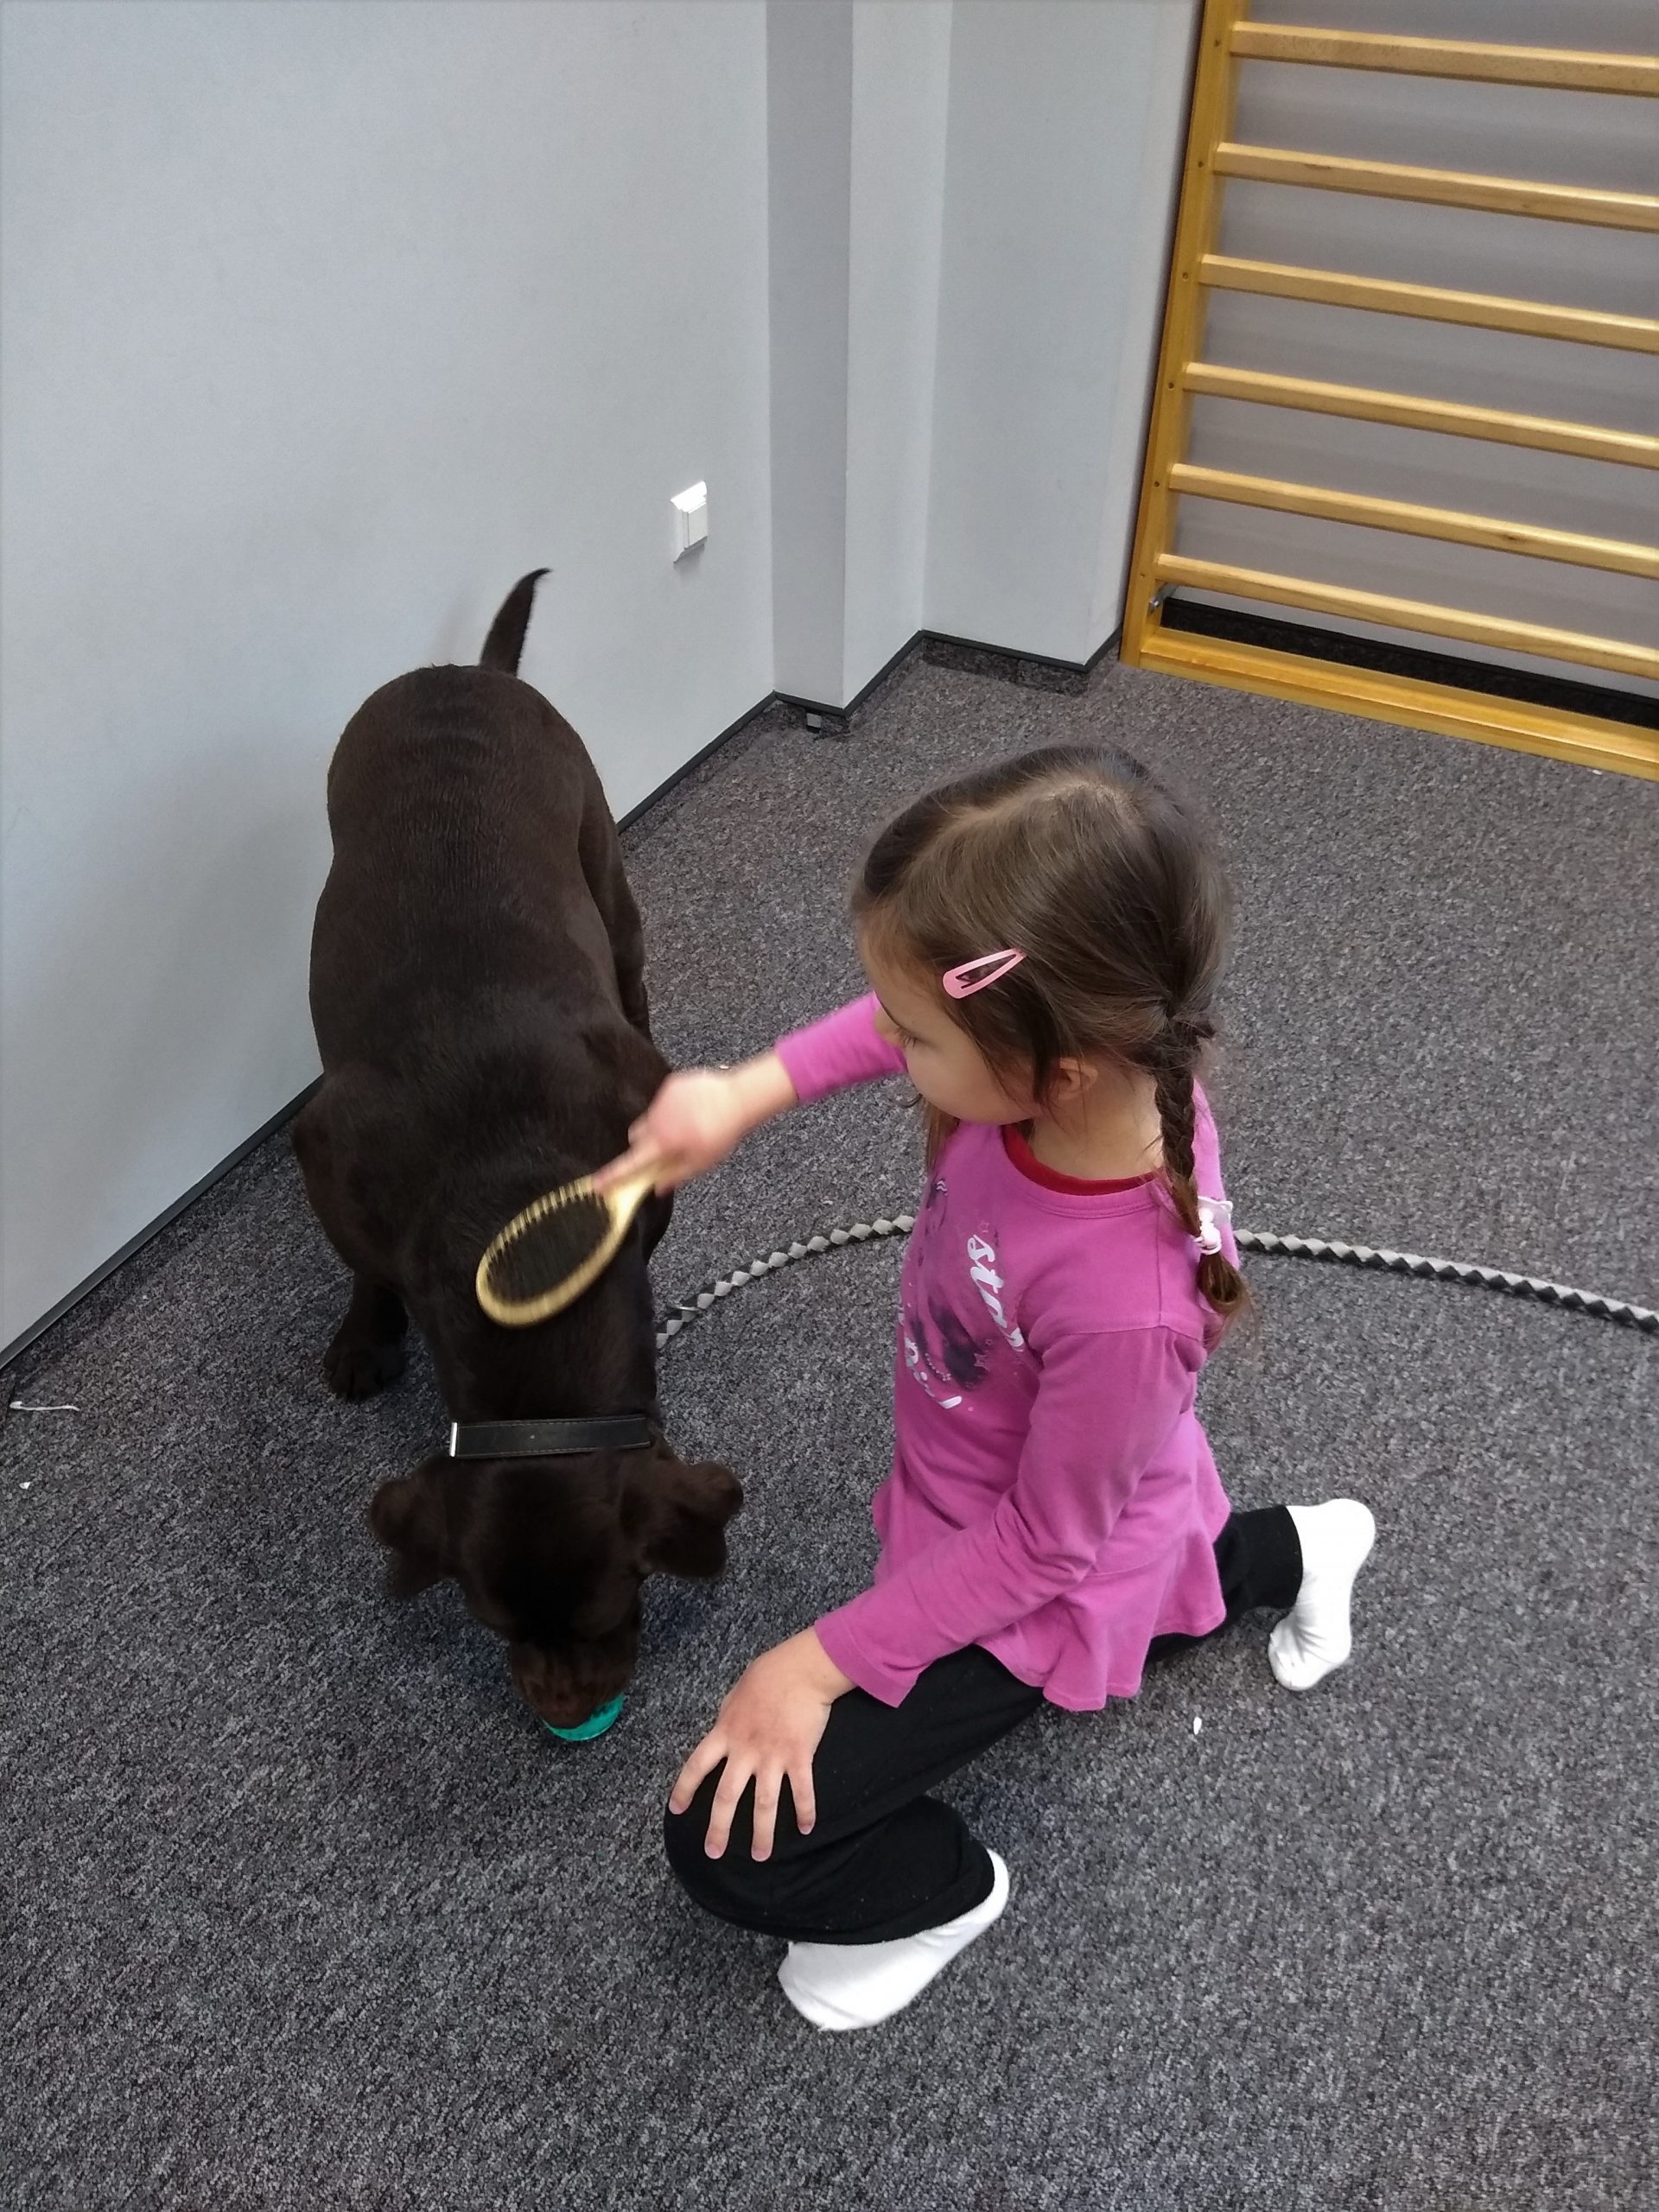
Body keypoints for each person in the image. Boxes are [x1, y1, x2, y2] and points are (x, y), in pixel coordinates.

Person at [603, 743, 1376, 2032]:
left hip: (1036, 1560)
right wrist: (749, 1090)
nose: (894, 1043)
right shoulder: (1080, 1063)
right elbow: (911, 1015)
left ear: (1051, 1068)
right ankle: (1308, 1546)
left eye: (916, 1036)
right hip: (1064, 1487)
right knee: (1158, 1564)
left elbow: (1045, 1548)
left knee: (727, 1846)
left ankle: (949, 1896)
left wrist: (812, 1662)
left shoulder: (1126, 1305)